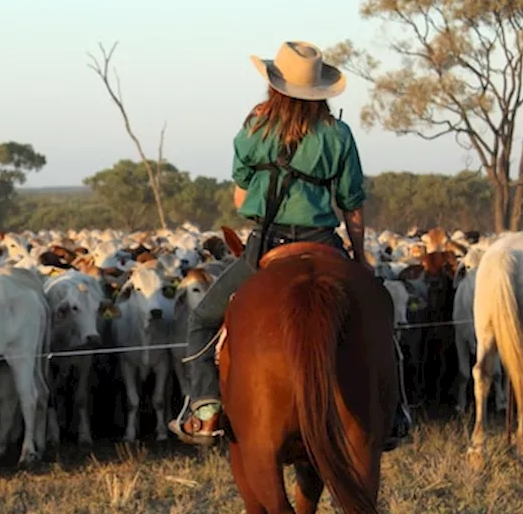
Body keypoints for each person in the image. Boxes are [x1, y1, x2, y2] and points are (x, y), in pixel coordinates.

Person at [167, 40, 413, 450]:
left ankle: (206, 410)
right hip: (323, 245)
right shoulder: (338, 134)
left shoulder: (254, 129)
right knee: (381, 318)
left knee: (202, 321)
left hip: (266, 247)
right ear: (319, 91)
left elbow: (241, 200)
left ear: (274, 86)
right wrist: (359, 259)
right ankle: (394, 415)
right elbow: (352, 207)